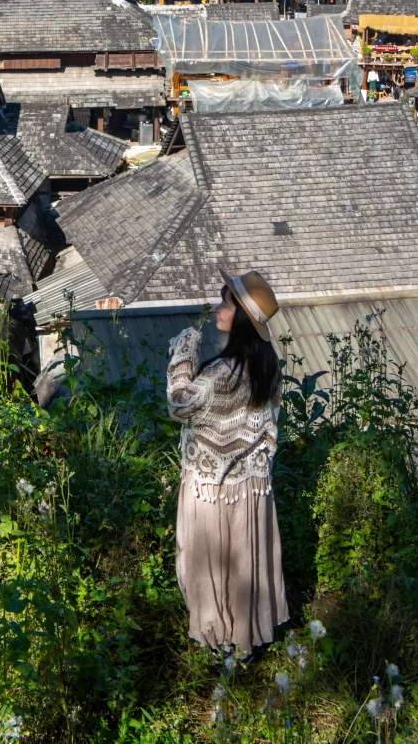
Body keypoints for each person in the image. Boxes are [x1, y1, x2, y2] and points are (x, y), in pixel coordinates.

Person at [166, 270, 289, 659]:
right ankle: (246, 637)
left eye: (226, 303)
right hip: (250, 489)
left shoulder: (222, 372)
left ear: (240, 319)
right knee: (243, 566)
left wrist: (184, 352)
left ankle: (219, 643)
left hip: (211, 488)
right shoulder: (267, 369)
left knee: (209, 565)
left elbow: (180, 403)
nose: (219, 308)